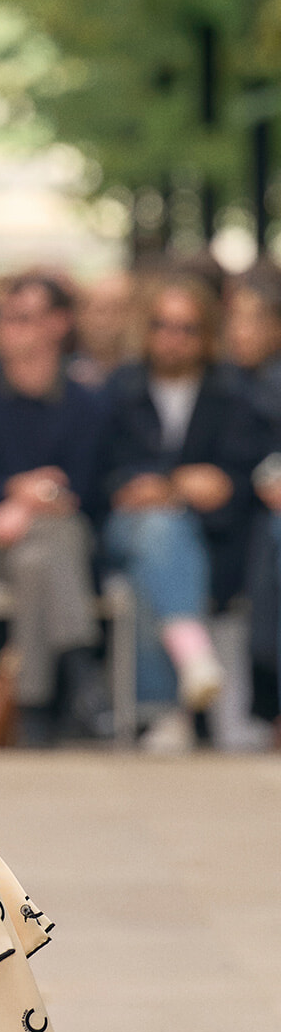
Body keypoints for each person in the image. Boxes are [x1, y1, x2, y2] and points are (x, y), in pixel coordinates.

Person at [102, 275, 262, 751]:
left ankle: (165, 716)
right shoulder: (120, 389)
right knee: (156, 531)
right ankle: (191, 660)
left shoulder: (233, 395)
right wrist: (153, 488)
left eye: (186, 328)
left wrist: (184, 489)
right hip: (124, 528)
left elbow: (237, 482)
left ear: (207, 335)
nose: (172, 339)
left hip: (210, 538)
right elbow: (101, 474)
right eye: (162, 325)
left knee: (155, 560)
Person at [0, 273, 109, 743]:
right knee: (48, 546)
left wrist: (30, 502)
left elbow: (86, 488)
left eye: (28, 318)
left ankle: (34, 707)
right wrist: (18, 492)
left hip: (59, 534)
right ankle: (81, 674)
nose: (17, 330)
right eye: (9, 318)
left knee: (38, 558)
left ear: (58, 324)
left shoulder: (84, 402)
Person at [224, 268, 281, 734]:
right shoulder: (221, 383)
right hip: (231, 522)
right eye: (234, 318)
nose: (239, 331)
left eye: (252, 319)